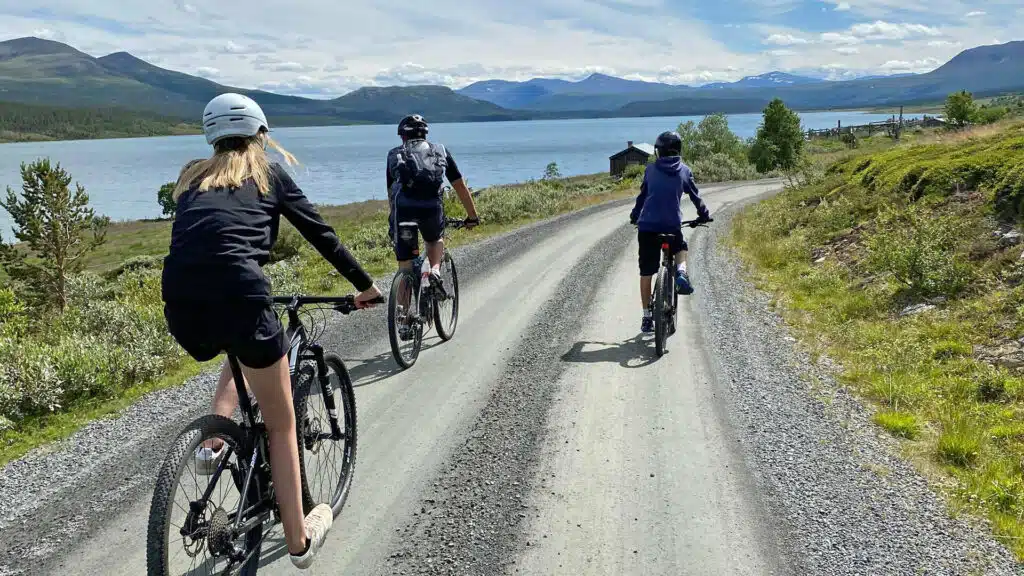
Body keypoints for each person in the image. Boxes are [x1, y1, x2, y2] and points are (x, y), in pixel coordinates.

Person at [162, 93, 383, 569]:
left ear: (211, 137)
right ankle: (301, 542)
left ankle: (212, 443)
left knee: (235, 348)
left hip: (181, 305)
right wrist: (364, 285)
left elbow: (204, 242)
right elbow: (320, 233)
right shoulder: (269, 174)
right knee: (281, 424)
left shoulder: (191, 177)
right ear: (261, 135)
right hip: (243, 297)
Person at [629, 130, 712, 334]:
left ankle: (647, 317)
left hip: (647, 227)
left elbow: (642, 198)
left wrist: (634, 215)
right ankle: (682, 272)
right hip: (672, 226)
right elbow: (695, 197)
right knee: (680, 248)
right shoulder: (684, 171)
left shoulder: (650, 170)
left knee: (646, 272)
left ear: (659, 151)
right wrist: (703, 214)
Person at [386, 114, 479, 284]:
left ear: (402, 136)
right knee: (434, 239)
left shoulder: (394, 154)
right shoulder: (440, 150)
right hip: (431, 208)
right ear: (425, 134)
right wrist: (472, 216)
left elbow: (391, 193)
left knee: (405, 267)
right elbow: (459, 186)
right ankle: (435, 270)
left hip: (404, 213)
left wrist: (393, 221)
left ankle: (400, 309)